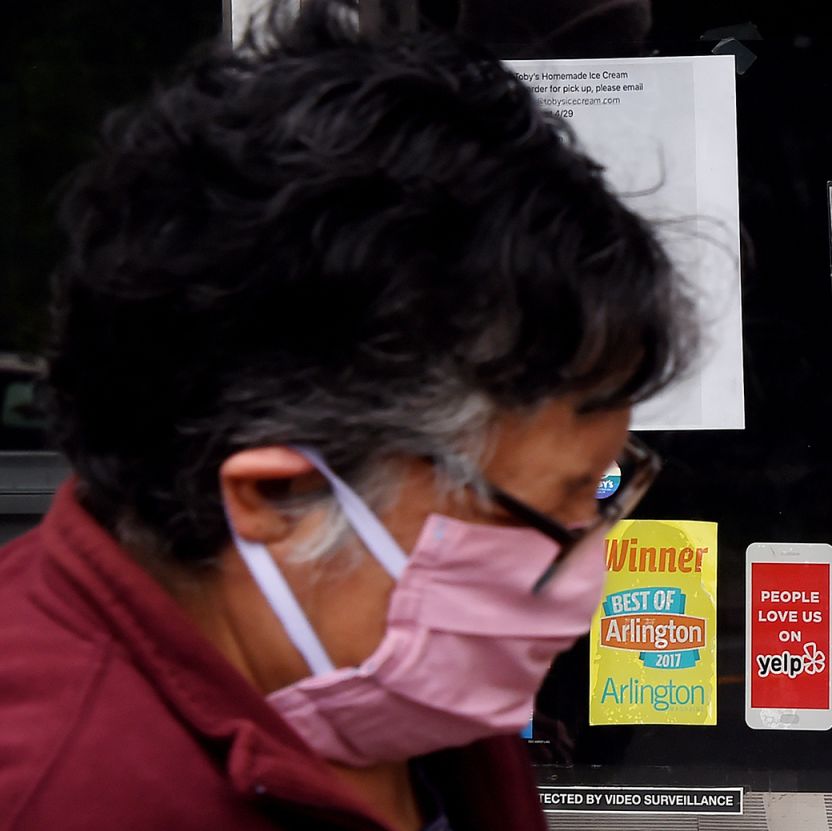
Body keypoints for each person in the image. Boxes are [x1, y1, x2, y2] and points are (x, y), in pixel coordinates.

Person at [0, 1, 695, 829]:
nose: (594, 564)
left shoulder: (388, 680)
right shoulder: (70, 791)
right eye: (554, 506)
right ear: (280, 499)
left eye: (607, 490)